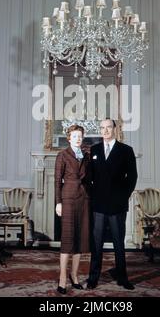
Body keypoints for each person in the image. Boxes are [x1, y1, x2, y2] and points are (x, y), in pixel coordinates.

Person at [87, 118, 137, 290]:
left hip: (117, 206)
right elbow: (89, 179)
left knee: (118, 243)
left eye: (108, 127)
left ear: (115, 129)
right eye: (102, 128)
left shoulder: (126, 150)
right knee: (96, 243)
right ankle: (93, 278)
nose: (105, 131)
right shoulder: (94, 150)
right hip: (98, 206)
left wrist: (123, 197)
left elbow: (132, 178)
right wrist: (92, 198)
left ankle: (123, 278)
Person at [54, 124, 90, 294]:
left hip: (83, 200)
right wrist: (58, 202)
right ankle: (62, 278)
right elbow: (56, 181)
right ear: (69, 138)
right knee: (68, 239)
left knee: (80, 240)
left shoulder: (86, 155)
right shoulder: (62, 155)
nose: (78, 139)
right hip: (67, 198)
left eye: (80, 136)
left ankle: (74, 276)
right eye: (75, 136)